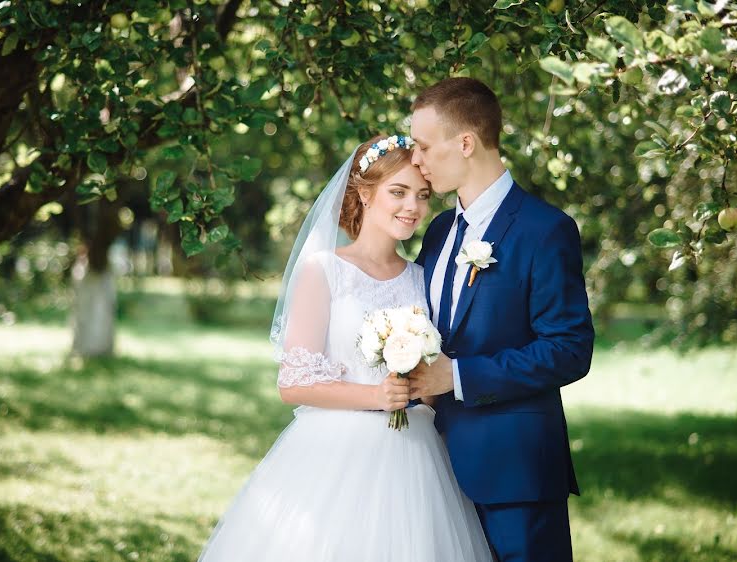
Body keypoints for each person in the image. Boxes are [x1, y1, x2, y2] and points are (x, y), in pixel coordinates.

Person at [197, 135, 491, 562]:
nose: (412, 207)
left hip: (417, 457)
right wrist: (376, 396)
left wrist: (424, 384)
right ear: (366, 193)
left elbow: (431, 381)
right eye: (398, 192)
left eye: (422, 195)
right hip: (335, 456)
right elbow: (293, 383)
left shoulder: (421, 278)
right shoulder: (325, 271)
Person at [408, 77, 595, 561]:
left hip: (515, 474)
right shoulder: (439, 231)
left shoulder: (545, 230)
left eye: (424, 146)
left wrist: (458, 376)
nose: (416, 160)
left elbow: (569, 349)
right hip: (432, 468)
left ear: (465, 143)